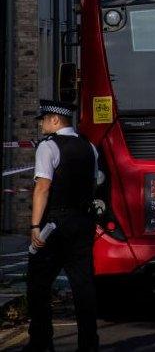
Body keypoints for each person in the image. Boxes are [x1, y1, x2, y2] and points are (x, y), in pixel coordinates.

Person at [25, 100, 100, 351]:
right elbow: (94, 182)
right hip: (83, 222)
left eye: (44, 119)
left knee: (38, 284)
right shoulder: (89, 146)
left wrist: (36, 226)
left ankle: (41, 343)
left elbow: (43, 187)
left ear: (55, 120)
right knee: (83, 286)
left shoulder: (48, 147)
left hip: (54, 225)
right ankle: (89, 345)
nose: (42, 124)